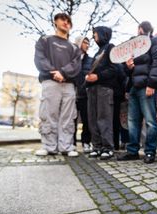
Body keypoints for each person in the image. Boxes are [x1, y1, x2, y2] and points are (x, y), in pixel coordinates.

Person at [117, 21, 157, 164]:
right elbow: (127, 69)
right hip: (134, 87)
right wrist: (128, 66)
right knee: (132, 121)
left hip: (147, 86)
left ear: (140, 30)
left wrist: (152, 84)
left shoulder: (155, 41)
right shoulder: (136, 47)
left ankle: (150, 151)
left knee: (150, 121)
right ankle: (132, 151)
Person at [34, 13, 81, 157]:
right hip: (50, 82)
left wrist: (63, 73)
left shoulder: (74, 47)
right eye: (63, 20)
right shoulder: (44, 40)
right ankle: (49, 147)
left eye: (69, 21)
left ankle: (66, 147)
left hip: (68, 85)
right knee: (49, 114)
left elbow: (76, 64)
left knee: (68, 116)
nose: (66, 23)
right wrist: (53, 72)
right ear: (55, 22)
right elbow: (40, 58)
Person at [85, 26, 117, 160]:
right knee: (93, 119)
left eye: (95, 33)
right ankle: (97, 146)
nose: (93, 36)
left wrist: (98, 77)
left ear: (103, 34)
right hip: (92, 90)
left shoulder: (111, 48)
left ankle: (108, 148)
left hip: (104, 89)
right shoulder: (98, 51)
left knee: (104, 119)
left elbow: (114, 69)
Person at [73, 36, 92, 153]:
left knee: (86, 120)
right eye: (85, 42)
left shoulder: (90, 60)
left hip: (85, 94)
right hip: (73, 94)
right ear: (78, 43)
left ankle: (86, 142)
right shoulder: (71, 59)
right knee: (72, 120)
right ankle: (72, 143)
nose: (87, 45)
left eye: (88, 43)